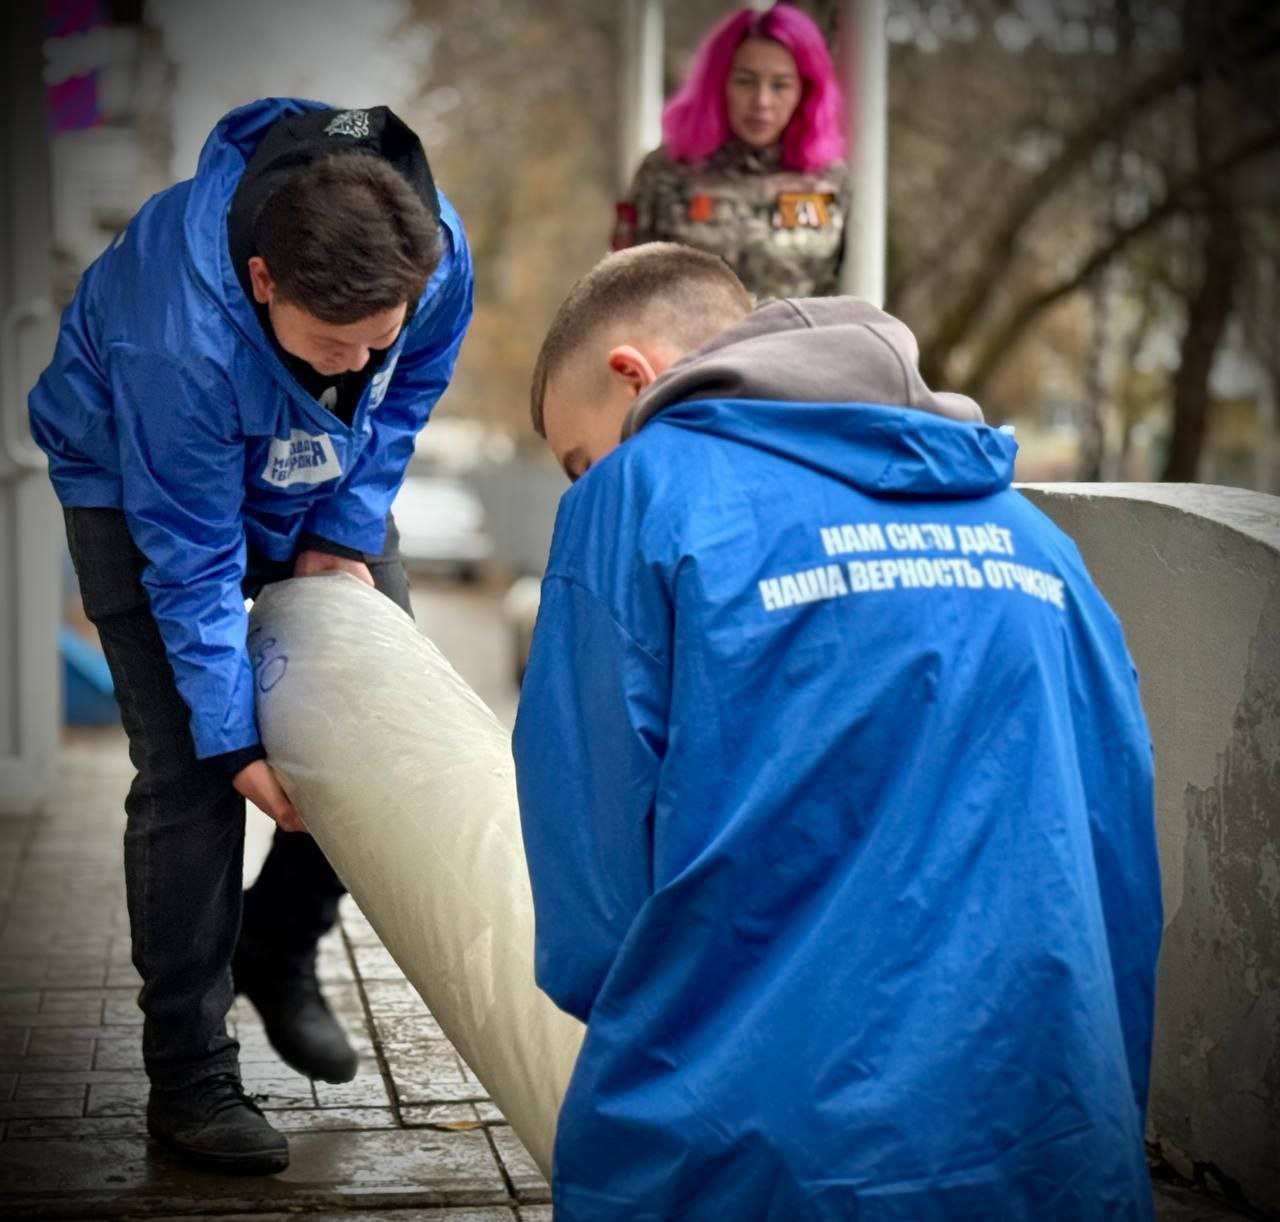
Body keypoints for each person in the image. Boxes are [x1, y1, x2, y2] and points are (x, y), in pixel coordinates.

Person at [512, 243, 1163, 1220]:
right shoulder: (1034, 542)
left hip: (753, 1156)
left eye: (576, 458)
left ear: (631, 377)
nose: (583, 481)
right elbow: (1120, 864)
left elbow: (592, 897)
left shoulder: (635, 495)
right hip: (1044, 1137)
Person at [29, 98, 473, 1174]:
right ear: (265, 278)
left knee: (381, 732)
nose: (354, 366)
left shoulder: (437, 255)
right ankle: (189, 1077)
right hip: (137, 478)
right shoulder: (173, 334)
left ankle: (279, 943)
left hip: (320, 474)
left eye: (377, 335)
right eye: (332, 343)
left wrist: (340, 527)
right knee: (189, 773)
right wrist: (235, 744)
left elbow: (406, 390)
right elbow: (187, 558)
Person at [612, 4, 847, 299]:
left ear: (806, 89)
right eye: (745, 81)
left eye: (780, 85)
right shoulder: (667, 171)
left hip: (799, 343)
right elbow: (621, 284)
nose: (762, 100)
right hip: (693, 343)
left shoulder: (833, 180)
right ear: (719, 82)